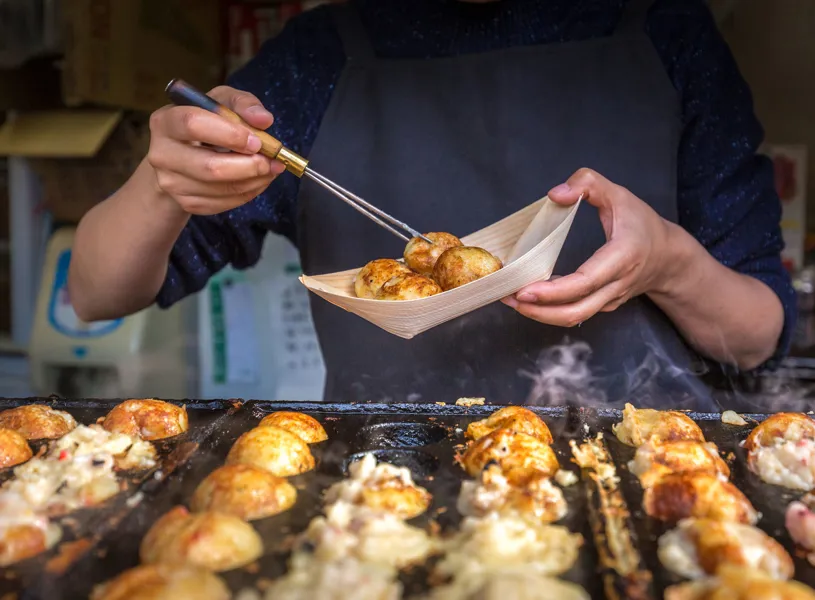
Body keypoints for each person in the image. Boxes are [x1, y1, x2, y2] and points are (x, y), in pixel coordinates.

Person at [68, 0, 795, 409]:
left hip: (644, 475)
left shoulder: (666, 33)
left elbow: (758, 335)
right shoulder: (319, 58)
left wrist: (667, 264)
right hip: (390, 484)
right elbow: (95, 294)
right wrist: (161, 183)